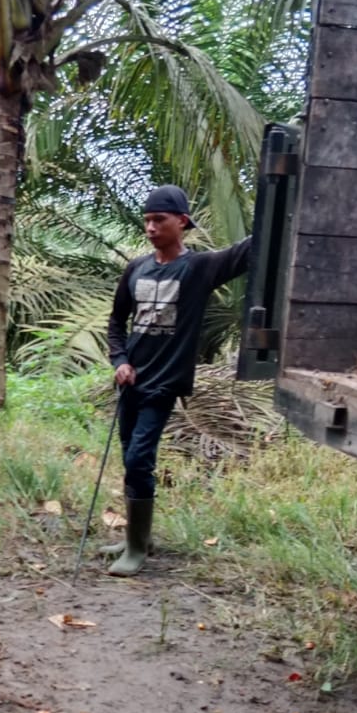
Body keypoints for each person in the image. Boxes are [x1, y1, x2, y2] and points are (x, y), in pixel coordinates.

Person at [105, 184, 251, 577]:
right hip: (130, 381)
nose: (151, 227)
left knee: (139, 458)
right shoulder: (136, 268)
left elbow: (248, 250)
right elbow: (117, 322)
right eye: (147, 221)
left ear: (181, 222)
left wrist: (283, 202)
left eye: (159, 220)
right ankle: (139, 537)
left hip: (164, 382)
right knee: (129, 457)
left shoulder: (199, 269)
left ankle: (135, 550)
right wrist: (119, 360)